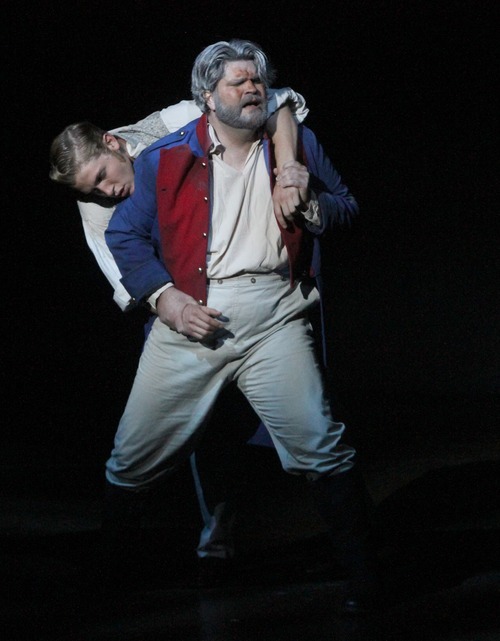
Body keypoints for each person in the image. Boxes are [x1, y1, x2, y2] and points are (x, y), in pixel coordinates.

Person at [103, 38, 377, 616]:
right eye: (237, 82)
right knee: (132, 460)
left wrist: (312, 207)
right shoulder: (166, 158)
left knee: (321, 446)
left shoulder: (293, 148)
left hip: (275, 314)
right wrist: (164, 298)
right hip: (192, 320)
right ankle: (106, 587)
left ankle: (366, 579)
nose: (252, 89)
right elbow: (123, 235)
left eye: (257, 81)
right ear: (208, 96)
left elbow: (347, 205)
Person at [49, 88, 309, 584]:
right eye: (90, 189)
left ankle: (350, 550)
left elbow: (282, 101)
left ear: (114, 142)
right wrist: (173, 305)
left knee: (305, 426)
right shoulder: (95, 209)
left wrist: (288, 164)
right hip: (182, 303)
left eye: (102, 176)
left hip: (256, 285)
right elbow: (128, 276)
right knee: (196, 429)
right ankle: (214, 530)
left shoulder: (172, 121)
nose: (104, 192)